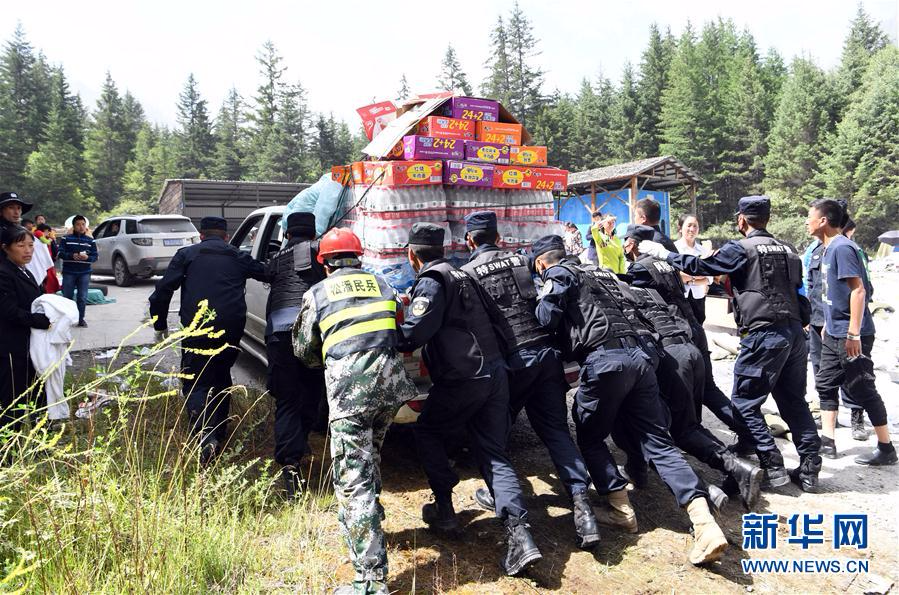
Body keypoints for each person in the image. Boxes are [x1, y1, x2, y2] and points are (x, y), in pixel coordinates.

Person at [532, 235, 728, 565]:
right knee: (659, 442)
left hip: (606, 361)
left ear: (540, 263)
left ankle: (620, 509)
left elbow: (545, 317)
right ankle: (704, 524)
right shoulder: (598, 273)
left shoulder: (559, 273)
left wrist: (539, 297)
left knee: (591, 434)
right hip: (640, 359)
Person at [639, 196, 823, 493]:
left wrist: (666, 254)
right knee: (793, 401)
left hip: (764, 334)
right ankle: (810, 468)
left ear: (741, 220)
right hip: (793, 334)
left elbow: (703, 266)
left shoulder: (742, 248)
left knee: (745, 402)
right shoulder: (788, 250)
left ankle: (771, 462)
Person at [398, 222, 542, 577]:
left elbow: (413, 334)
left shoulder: (431, 281)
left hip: (464, 377)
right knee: (493, 452)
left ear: (412, 255)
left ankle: (445, 510)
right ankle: (520, 535)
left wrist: (390, 324)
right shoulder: (462, 274)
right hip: (494, 373)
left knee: (428, 431)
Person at [460, 211, 600, 549]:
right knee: (555, 431)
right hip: (548, 356)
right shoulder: (523, 262)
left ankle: (508, 510)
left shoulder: (466, 274)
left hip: (514, 363)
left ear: (468, 241)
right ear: (499, 237)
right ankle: (584, 509)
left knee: (492, 438)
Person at [293, 227, 415, 595]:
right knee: (370, 461)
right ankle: (368, 526)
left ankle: (371, 581)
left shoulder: (317, 293)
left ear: (324, 263)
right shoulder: (383, 285)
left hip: (351, 396)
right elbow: (398, 327)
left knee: (353, 482)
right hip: (391, 390)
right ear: (357, 257)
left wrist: (329, 360)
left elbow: (303, 350)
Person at [617, 282, 763, 510]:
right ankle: (732, 472)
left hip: (670, 358)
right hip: (689, 349)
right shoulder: (647, 291)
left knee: (674, 431)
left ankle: (732, 471)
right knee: (689, 426)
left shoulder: (615, 294)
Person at [148, 216, 266, 464]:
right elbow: (267, 273)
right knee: (221, 375)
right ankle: (218, 432)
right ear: (225, 236)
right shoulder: (236, 256)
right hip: (231, 327)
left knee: (195, 381)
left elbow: (162, 291)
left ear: (201, 235)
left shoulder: (187, 255)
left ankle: (204, 438)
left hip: (197, 326)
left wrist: (159, 324)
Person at [622, 224, 738, 435]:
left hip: (675, 334)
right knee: (707, 390)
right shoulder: (667, 264)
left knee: (674, 394)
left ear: (631, 244)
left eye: (625, 242)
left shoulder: (640, 268)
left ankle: (690, 438)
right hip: (694, 328)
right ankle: (748, 433)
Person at [807, 199, 896, 466]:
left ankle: (886, 448)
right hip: (834, 331)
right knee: (824, 383)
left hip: (851, 333)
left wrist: (853, 334)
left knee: (861, 387)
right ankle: (828, 440)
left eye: (810, 216)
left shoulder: (843, 248)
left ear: (823, 220)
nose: (806, 221)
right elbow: (829, 292)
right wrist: (827, 326)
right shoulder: (825, 248)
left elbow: (858, 290)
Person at [264, 211, 327, 497]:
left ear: (288, 234)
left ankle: (291, 467)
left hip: (278, 333)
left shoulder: (275, 260)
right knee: (312, 391)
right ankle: (299, 446)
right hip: (313, 332)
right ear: (314, 233)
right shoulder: (321, 252)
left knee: (288, 399)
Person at [803, 224, 867, 441]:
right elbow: (809, 284)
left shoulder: (849, 250)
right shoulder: (814, 251)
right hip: (818, 319)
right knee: (822, 372)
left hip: (841, 321)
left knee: (851, 374)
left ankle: (857, 415)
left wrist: (852, 328)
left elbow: (862, 288)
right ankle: (829, 419)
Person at [0, 225, 51, 435]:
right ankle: (9, 451)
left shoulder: (24, 269)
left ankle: (41, 440)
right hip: (11, 348)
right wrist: (40, 320)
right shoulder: (4, 273)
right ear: (5, 248)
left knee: (38, 393)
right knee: (13, 398)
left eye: (31, 245)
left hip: (28, 345)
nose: (28, 250)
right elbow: (9, 311)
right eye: (21, 245)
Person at [58, 215, 97, 327]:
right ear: (73, 226)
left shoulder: (90, 240)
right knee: (67, 297)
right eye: (78, 224)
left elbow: (95, 256)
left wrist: (87, 258)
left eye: (83, 224)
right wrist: (71, 255)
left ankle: (81, 319)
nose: (81, 227)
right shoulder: (66, 239)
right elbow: (60, 253)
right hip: (69, 272)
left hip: (84, 273)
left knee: (82, 297)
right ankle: (67, 319)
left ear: (86, 226)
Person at [674, 214, 713, 324]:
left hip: (699, 297)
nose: (692, 229)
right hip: (680, 297)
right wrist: (697, 276)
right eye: (689, 225)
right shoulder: (674, 249)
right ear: (680, 228)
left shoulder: (703, 251)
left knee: (699, 327)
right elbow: (675, 276)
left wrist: (690, 279)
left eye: (695, 226)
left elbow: (709, 278)